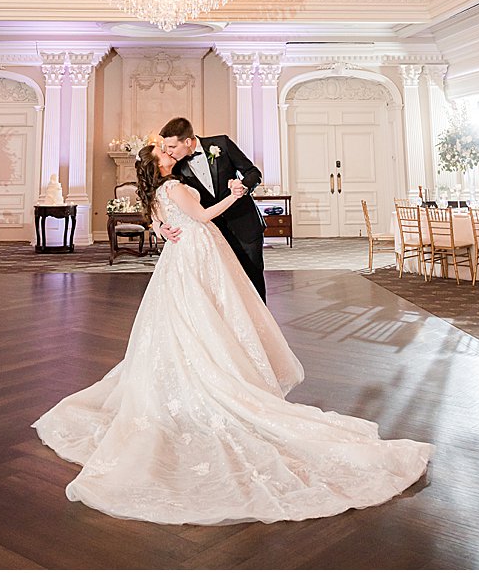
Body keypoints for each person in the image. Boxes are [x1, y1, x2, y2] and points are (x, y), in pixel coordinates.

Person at [32, 143, 430, 525]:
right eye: (164, 154)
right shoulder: (171, 185)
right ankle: (214, 375)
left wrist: (164, 228)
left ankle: (193, 368)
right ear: (159, 166)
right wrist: (236, 194)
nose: (171, 155)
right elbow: (204, 218)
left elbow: (157, 220)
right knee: (208, 315)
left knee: (187, 318)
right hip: (199, 251)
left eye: (170, 150)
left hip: (180, 257)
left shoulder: (153, 191)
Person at [158, 117, 267, 300]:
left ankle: (262, 325)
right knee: (226, 283)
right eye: (166, 147)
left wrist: (244, 186)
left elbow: (253, 173)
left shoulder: (221, 143)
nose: (168, 152)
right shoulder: (175, 167)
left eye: (172, 147)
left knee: (253, 276)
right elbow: (166, 200)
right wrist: (160, 226)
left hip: (245, 224)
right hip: (213, 232)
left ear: (187, 141)